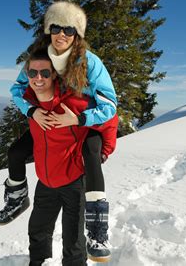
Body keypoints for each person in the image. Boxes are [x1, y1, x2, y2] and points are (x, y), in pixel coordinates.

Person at [0, 1, 118, 262]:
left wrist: (80, 118)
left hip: (87, 123)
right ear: (47, 30)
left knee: (90, 152)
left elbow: (110, 105)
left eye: (69, 29)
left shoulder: (89, 62)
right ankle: (17, 197)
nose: (61, 34)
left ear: (77, 35)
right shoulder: (40, 58)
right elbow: (18, 89)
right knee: (16, 151)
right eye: (56, 27)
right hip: (49, 124)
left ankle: (97, 229)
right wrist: (32, 112)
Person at [21, 50, 117, 265]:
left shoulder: (73, 103)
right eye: (32, 73)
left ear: (54, 75)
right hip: (46, 180)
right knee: (37, 231)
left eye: (45, 73)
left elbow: (111, 119)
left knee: (73, 241)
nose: (38, 78)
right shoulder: (30, 105)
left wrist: (104, 150)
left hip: (74, 181)